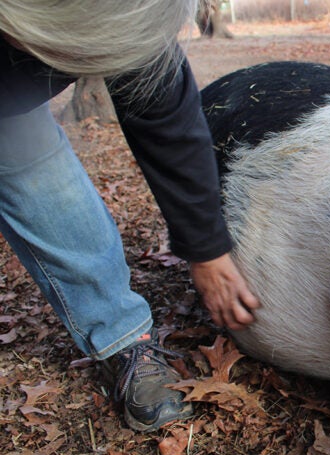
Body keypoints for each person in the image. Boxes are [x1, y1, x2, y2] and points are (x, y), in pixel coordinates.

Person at [0, 1, 260, 432]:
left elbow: (168, 127)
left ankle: (121, 335)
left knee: (42, 180)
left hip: (12, 113)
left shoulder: (126, 13)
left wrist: (207, 250)